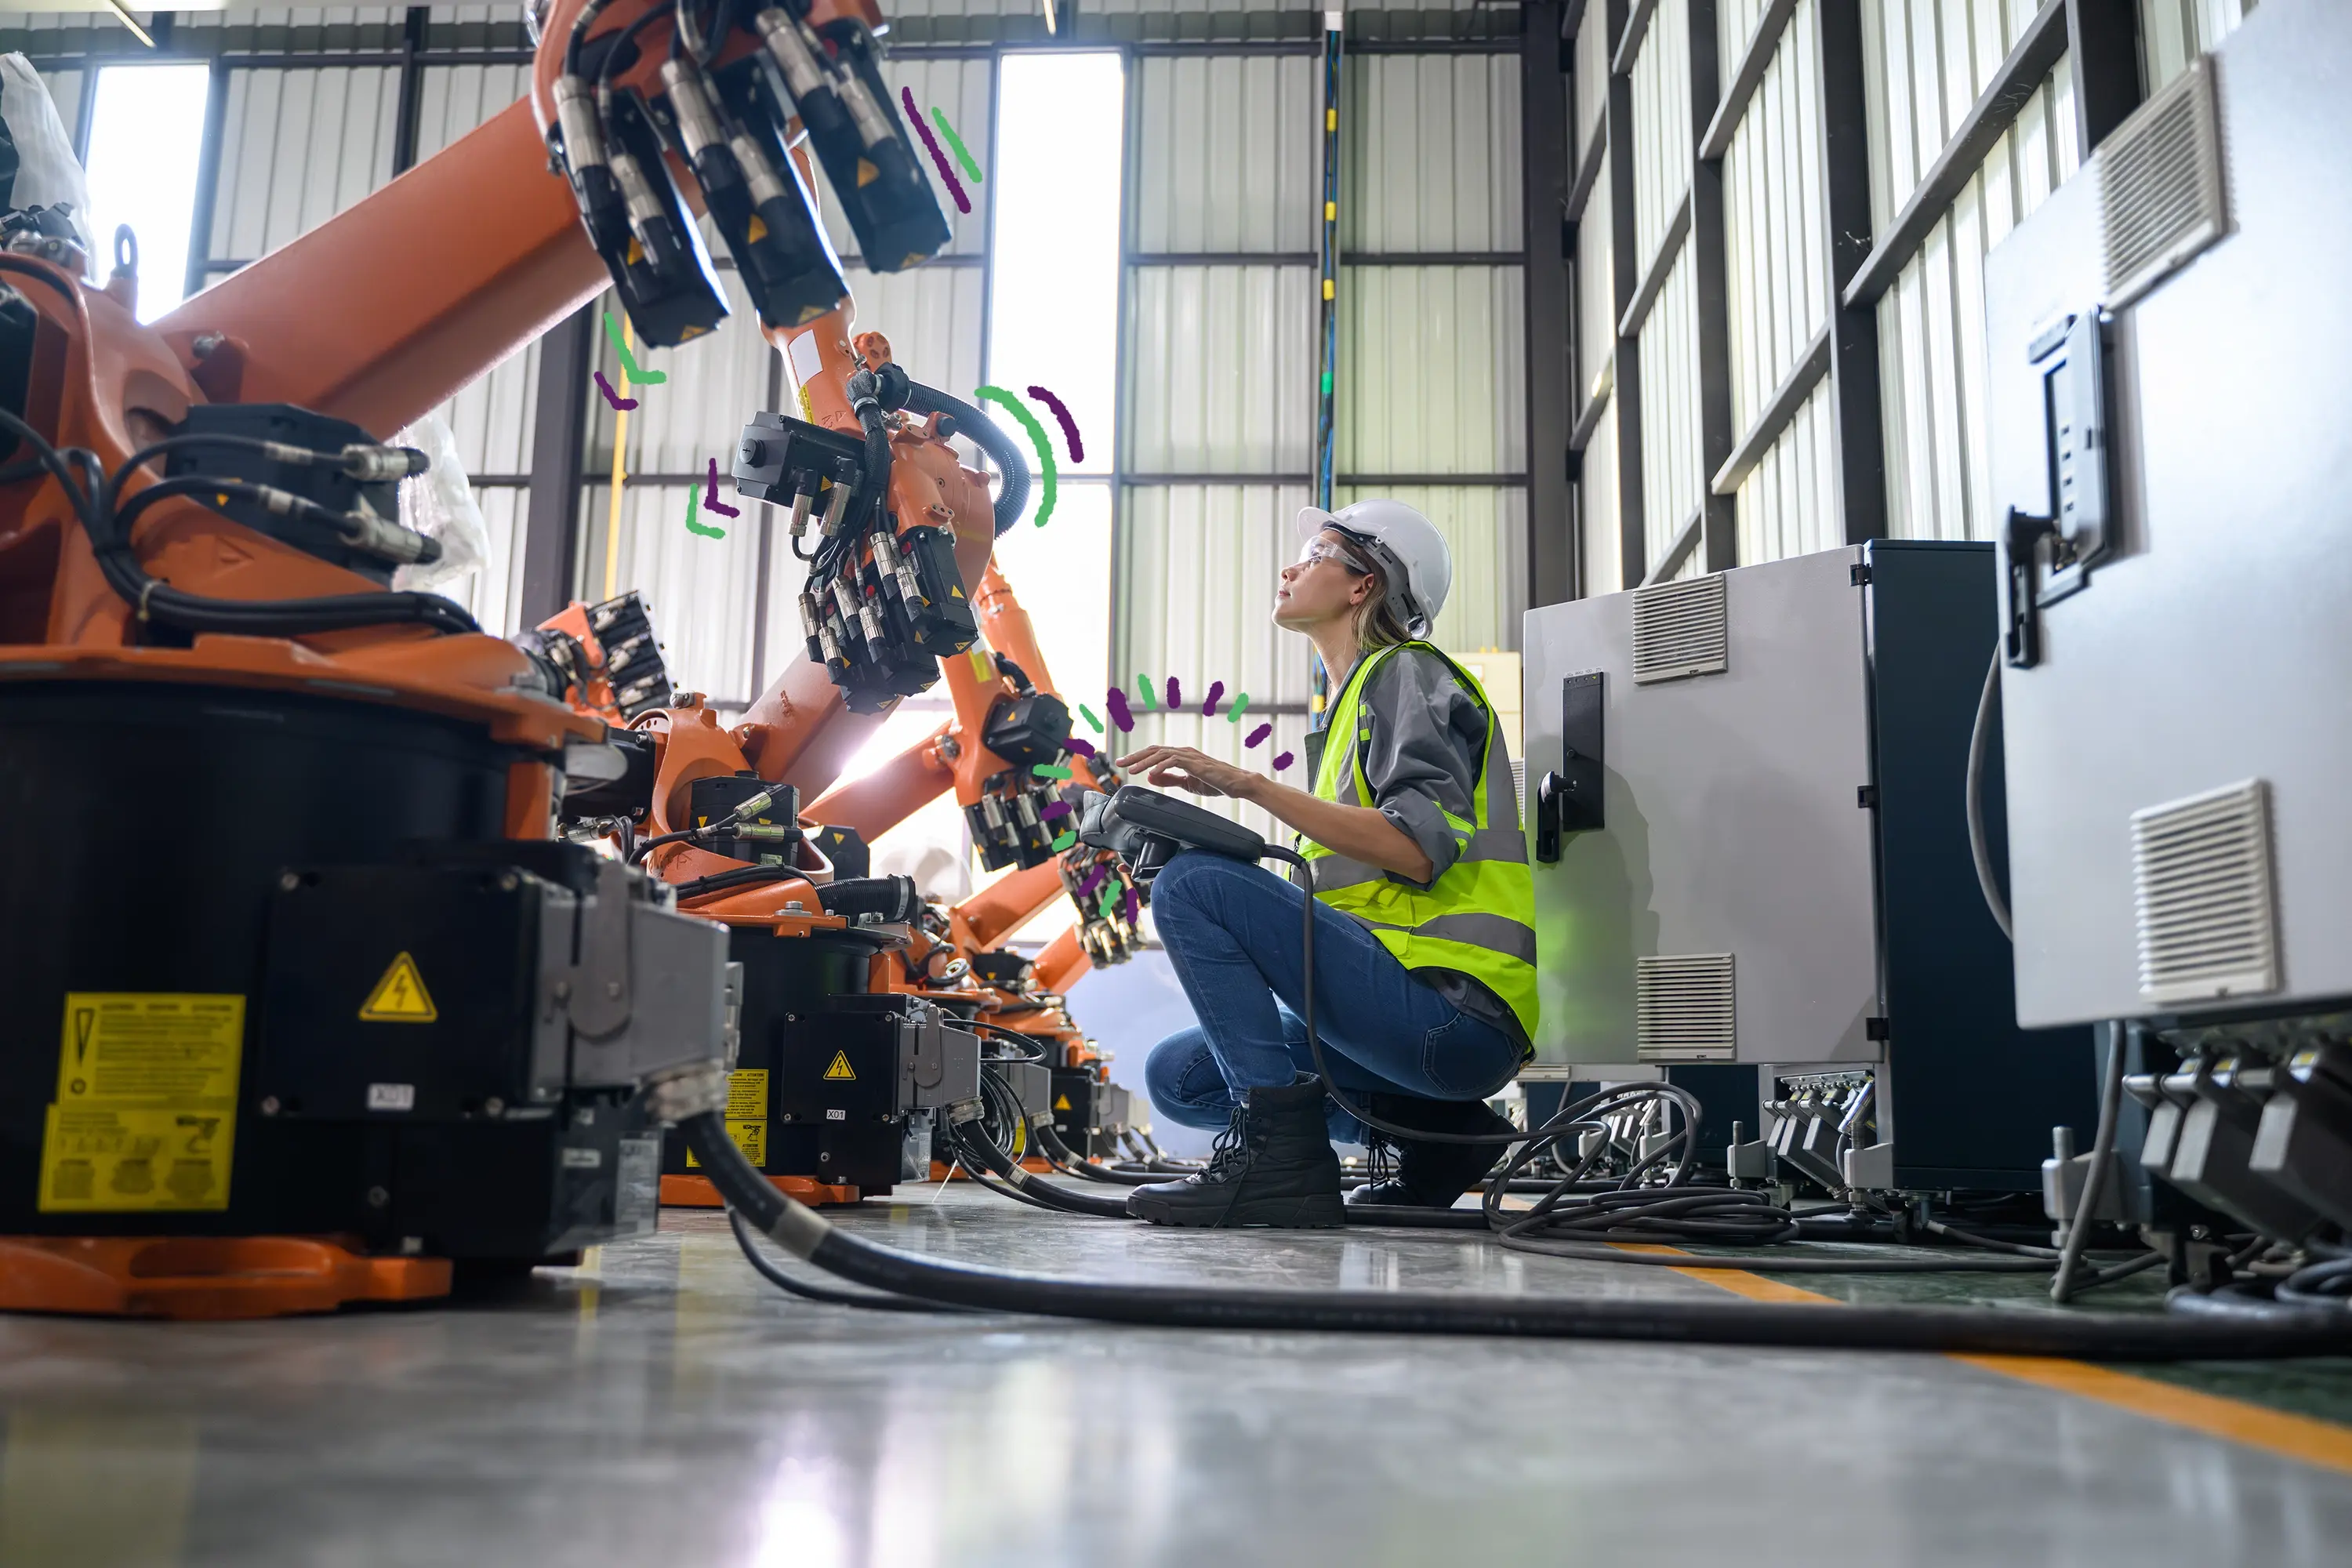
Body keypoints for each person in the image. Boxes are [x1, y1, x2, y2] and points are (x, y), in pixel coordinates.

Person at [1116, 499, 1537, 1228]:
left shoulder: (1406, 674)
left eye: (1314, 554)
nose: (1290, 567)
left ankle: (1281, 1163)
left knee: (1194, 887)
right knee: (1177, 1077)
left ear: (1362, 584)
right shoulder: (1348, 706)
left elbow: (1412, 848)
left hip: (1450, 1015)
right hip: (1402, 1021)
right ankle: (1443, 1144)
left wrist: (1247, 784)